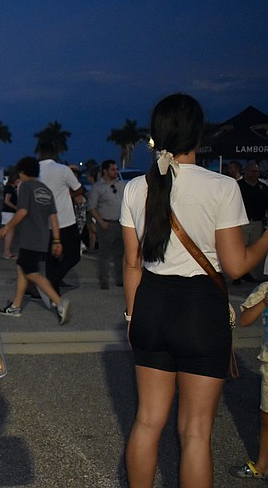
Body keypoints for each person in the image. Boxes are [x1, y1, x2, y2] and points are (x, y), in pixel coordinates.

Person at [121, 93, 268, 488]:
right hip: (200, 310)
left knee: (147, 421)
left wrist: (133, 319)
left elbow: (131, 264)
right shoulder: (222, 187)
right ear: (197, 135)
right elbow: (236, 266)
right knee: (196, 433)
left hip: (150, 305)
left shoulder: (136, 188)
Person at [0, 156, 71, 324]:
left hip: (30, 238)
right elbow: (53, 218)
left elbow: (22, 211)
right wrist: (57, 241)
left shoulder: (26, 187)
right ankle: (15, 306)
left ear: (22, 172)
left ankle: (59, 302)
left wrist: (6, 228)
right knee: (22, 268)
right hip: (43, 238)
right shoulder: (45, 189)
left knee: (32, 273)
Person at [229, 281, 268, 479]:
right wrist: (265, 302)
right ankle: (261, 465)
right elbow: (244, 320)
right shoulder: (265, 288)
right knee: (266, 417)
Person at [38, 141, 84, 294]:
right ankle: (52, 281)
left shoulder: (35, 171)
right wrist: (67, 193)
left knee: (51, 258)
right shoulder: (63, 170)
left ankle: (53, 291)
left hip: (44, 222)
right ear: (55, 154)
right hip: (65, 220)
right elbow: (79, 189)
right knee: (73, 255)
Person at [86, 159, 125, 290]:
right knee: (105, 254)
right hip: (106, 224)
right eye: (113, 169)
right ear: (105, 171)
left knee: (120, 254)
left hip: (120, 223)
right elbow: (91, 207)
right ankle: (104, 279)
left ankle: (120, 279)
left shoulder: (121, 185)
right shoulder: (97, 188)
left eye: (116, 169)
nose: (116, 172)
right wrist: (101, 222)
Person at [235, 161, 268, 284]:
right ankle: (238, 275)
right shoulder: (239, 186)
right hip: (243, 221)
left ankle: (251, 273)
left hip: (257, 221)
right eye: (253, 171)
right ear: (247, 171)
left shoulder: (262, 187)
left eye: (257, 172)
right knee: (241, 248)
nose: (255, 174)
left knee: (255, 247)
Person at [0, 173, 19, 259]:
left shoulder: (11, 188)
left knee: (10, 232)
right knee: (10, 232)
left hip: (9, 212)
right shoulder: (9, 188)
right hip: (9, 212)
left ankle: (7, 251)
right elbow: (7, 201)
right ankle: (6, 252)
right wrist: (16, 207)